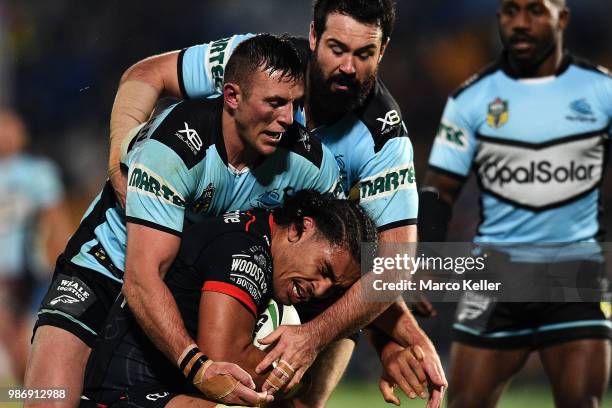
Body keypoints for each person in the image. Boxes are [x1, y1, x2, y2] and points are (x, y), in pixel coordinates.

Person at [104, 1, 446, 406]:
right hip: (168, 240)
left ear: (383, 51)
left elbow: (388, 265)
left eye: (364, 54)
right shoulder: (261, 61)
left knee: (325, 297)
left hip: (281, 261)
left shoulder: (383, 138)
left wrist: (388, 341)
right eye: (337, 48)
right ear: (315, 36)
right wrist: (117, 161)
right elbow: (147, 74)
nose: (348, 67)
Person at [25, 34, 342, 408]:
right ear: (232, 97)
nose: (288, 119)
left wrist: (322, 334)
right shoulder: (174, 148)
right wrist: (198, 367)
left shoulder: (312, 167)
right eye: (274, 103)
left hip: (188, 291)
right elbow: (142, 278)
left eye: (295, 104)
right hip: (106, 270)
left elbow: (347, 254)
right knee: (45, 401)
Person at [420, 1, 612, 407]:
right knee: (464, 403)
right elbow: (439, 188)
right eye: (510, 11)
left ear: (563, 18)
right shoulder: (470, 99)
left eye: (535, 11)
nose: (521, 23)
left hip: (575, 274)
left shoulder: (601, 91)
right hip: (495, 272)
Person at [81, 190, 378, 408]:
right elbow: (225, 363)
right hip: (125, 393)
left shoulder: (266, 246)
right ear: (300, 229)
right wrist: (299, 382)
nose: (322, 288)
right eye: (324, 270)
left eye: (334, 285)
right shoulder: (246, 252)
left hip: (165, 389)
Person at [0, 109, 71, 383]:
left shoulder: (38, 172)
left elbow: (56, 219)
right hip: (3, 273)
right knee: (10, 337)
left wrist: (63, 261)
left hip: (29, 270)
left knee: (25, 342)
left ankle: (32, 393)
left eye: (10, 128)